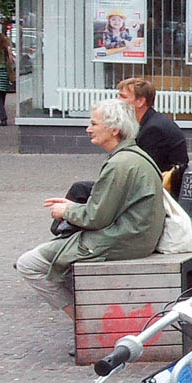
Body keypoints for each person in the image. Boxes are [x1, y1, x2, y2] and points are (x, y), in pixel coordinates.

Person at [16, 99, 166, 319]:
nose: (88, 129)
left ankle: (85, 325)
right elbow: (106, 208)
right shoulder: (133, 156)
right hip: (135, 236)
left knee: (28, 264)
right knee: (58, 253)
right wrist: (73, 206)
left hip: (124, 240)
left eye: (94, 124)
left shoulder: (119, 164)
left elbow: (96, 218)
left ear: (114, 129)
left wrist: (65, 211)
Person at [115, 77, 191, 193]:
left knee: (81, 189)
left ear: (140, 101)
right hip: (155, 187)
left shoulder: (153, 130)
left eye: (123, 97)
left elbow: (142, 171)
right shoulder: (150, 122)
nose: (117, 101)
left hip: (159, 192)